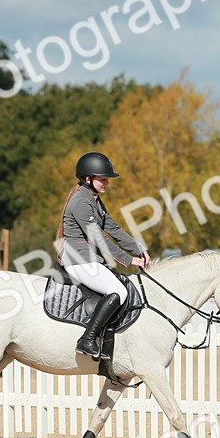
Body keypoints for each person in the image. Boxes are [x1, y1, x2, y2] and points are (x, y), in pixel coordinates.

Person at [57, 151, 150, 360]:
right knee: (118, 291)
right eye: (103, 179)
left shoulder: (93, 199)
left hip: (89, 260)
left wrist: (138, 248)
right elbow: (98, 239)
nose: (107, 183)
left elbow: (113, 229)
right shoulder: (81, 202)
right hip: (78, 261)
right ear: (88, 178)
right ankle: (87, 339)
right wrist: (129, 260)